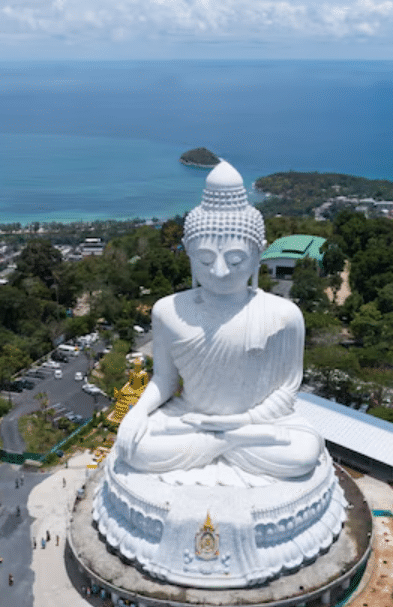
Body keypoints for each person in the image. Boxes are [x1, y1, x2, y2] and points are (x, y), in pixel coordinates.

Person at [115, 161, 321, 483]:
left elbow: (287, 388)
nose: (220, 272)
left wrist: (244, 422)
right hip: (191, 418)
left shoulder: (283, 315)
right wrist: (137, 412)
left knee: (304, 452)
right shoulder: (168, 310)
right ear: (188, 253)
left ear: (258, 254)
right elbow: (165, 380)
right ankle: (223, 445)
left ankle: (220, 443)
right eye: (206, 259)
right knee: (134, 447)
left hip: (256, 425)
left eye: (236, 259)